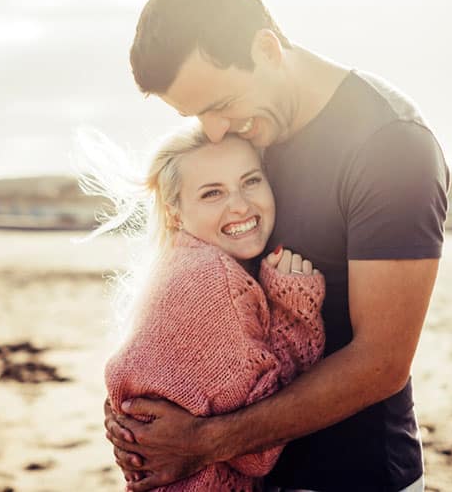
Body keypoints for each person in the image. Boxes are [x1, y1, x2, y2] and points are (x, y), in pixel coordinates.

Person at [104, 0, 450, 492]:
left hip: (353, 477)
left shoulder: (390, 146)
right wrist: (133, 416)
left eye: (219, 105)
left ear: (267, 50)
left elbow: (382, 362)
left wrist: (202, 442)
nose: (214, 130)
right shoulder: (249, 129)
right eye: (196, 115)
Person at [93, 128, 327, 490]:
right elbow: (257, 453)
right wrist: (295, 311)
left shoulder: (177, 264)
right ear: (174, 214)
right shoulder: (215, 281)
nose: (239, 205)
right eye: (212, 192)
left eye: (250, 181)